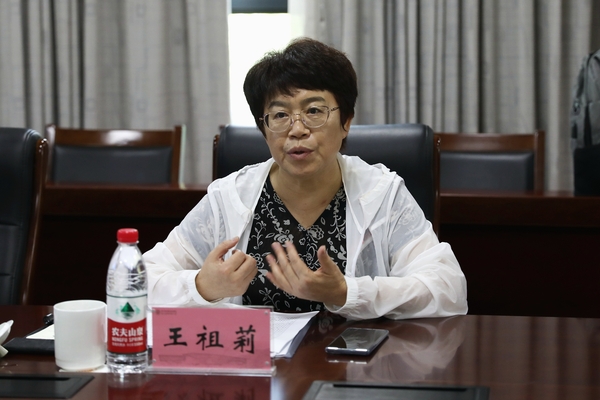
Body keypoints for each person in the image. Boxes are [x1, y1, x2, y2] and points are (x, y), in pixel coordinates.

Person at [143, 37, 467, 320]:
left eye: (314, 111)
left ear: (346, 121)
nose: (297, 130)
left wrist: (346, 292)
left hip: (356, 367)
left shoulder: (382, 194)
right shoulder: (229, 198)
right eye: (280, 115)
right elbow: (140, 280)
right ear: (264, 129)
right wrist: (201, 286)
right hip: (260, 366)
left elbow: (448, 289)